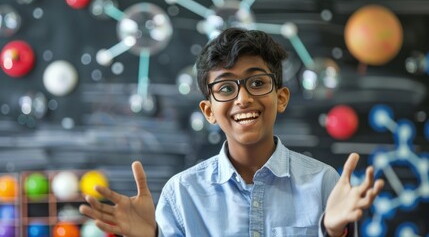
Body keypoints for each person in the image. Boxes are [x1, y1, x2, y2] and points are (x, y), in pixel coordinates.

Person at [79, 28, 384, 237]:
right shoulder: (181, 193)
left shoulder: (324, 183)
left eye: (257, 82)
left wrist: (332, 232)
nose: (243, 98)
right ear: (209, 110)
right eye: (225, 87)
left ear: (281, 98)